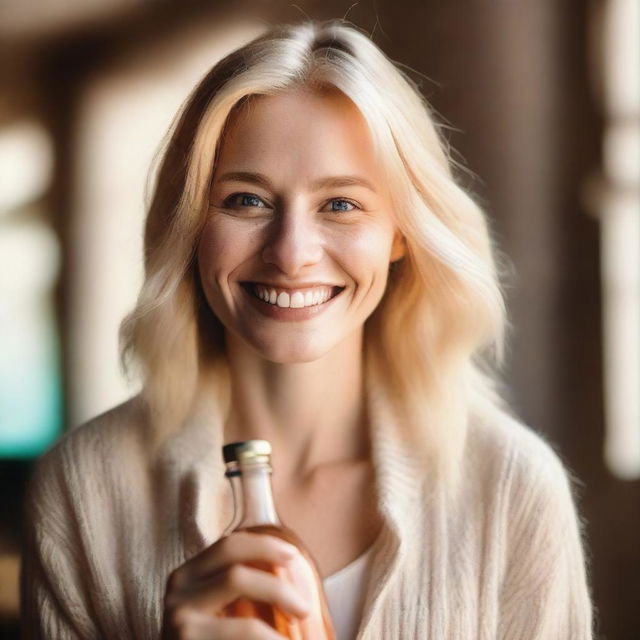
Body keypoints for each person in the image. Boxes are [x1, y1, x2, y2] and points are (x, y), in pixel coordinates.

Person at [20, 18, 594, 640]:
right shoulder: (83, 490)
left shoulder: (512, 487)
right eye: (247, 200)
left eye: (341, 204)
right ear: (189, 226)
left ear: (401, 233)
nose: (292, 253)